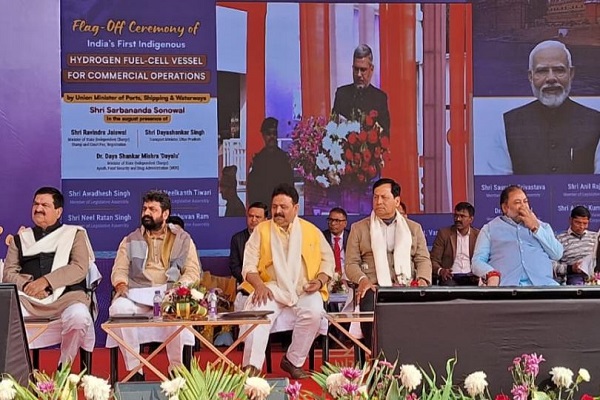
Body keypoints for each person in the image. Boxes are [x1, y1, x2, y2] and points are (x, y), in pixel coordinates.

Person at [239, 183, 334, 379]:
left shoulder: (311, 231)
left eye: (283, 207)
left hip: (304, 289)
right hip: (271, 288)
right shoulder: (261, 230)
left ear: (296, 208)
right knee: (259, 313)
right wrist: (259, 286)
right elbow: (248, 264)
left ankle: (293, 361)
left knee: (315, 312)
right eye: (275, 207)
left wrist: (320, 281)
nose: (278, 211)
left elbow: (328, 260)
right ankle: (251, 367)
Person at [108, 190, 201, 380]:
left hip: (169, 295)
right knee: (118, 309)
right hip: (137, 294)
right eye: (144, 209)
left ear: (165, 214)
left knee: (180, 313)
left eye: (152, 209)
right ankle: (135, 370)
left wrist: (179, 289)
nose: (146, 213)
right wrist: (121, 284)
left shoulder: (183, 239)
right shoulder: (130, 239)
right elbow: (119, 269)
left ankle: (177, 371)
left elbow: (193, 271)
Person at [3, 187, 95, 366]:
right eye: (36, 204)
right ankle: (16, 371)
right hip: (29, 299)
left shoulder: (74, 235)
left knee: (79, 317)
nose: (38, 209)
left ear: (58, 211)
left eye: (45, 205)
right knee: (4, 315)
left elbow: (79, 268)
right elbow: (8, 273)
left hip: (67, 298)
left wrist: (45, 282)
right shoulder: (20, 239)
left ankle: (64, 367)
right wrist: (28, 286)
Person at [483, 40, 600, 174]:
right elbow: (498, 182)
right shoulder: (507, 125)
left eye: (559, 70)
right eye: (542, 71)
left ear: (571, 74)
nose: (551, 78)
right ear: (530, 76)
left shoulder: (596, 123)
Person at [345, 178, 432, 349]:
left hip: (408, 286)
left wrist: (422, 280)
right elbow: (351, 263)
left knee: (424, 311)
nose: (378, 202)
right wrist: (363, 280)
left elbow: (423, 259)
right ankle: (376, 356)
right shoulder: (359, 228)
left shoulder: (413, 228)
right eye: (375, 197)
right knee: (369, 307)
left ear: (397, 201)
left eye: (384, 197)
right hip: (374, 287)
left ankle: (412, 355)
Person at [472, 185, 563, 286]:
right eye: (517, 202)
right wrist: (491, 274)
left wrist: (536, 228)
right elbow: (477, 261)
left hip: (544, 286)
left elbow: (557, 254)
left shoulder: (543, 227)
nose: (523, 206)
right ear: (505, 208)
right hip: (508, 287)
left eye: (525, 201)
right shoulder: (489, 229)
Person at [332, 44, 390, 134]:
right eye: (356, 69)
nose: (359, 75)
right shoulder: (342, 94)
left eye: (363, 70)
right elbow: (332, 130)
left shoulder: (380, 98)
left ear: (371, 69)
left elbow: (385, 135)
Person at [246, 118, 295, 207]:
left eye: (274, 133)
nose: (272, 136)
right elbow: (252, 188)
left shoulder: (284, 158)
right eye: (269, 134)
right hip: (263, 207)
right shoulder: (258, 160)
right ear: (263, 136)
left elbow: (290, 185)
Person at [430, 202, 480, 286]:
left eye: (462, 216)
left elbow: (485, 259)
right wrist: (441, 271)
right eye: (456, 215)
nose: (458, 219)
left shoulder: (478, 235)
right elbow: (433, 260)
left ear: (471, 219)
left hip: (472, 276)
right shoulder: (444, 234)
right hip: (451, 277)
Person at [553, 206, 599, 285]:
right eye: (578, 223)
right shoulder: (559, 239)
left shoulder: (595, 237)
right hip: (572, 277)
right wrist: (571, 268)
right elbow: (553, 266)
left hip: (594, 276)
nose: (581, 227)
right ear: (570, 220)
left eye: (585, 223)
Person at [229, 202, 269, 285]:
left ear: (266, 220)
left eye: (258, 217)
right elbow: (234, 266)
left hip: (269, 284)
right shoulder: (237, 238)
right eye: (251, 216)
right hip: (246, 283)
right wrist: (250, 280)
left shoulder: (272, 238)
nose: (253, 220)